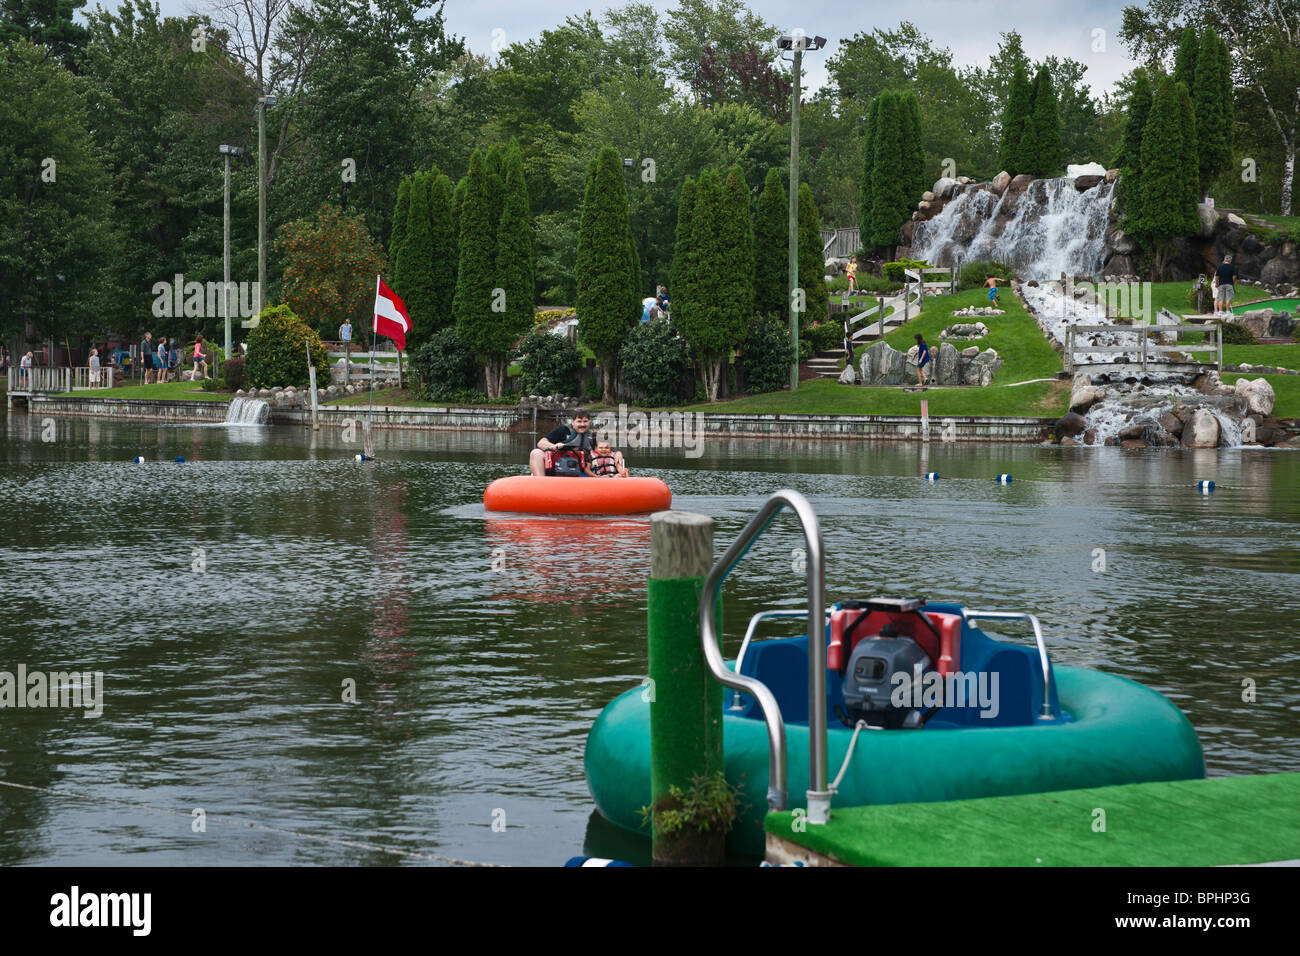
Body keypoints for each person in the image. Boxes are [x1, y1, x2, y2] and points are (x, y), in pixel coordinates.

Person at [530, 409, 598, 477]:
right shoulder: (563, 431)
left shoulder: (594, 437)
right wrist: (555, 446)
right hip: (557, 469)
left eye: (585, 421)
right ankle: (541, 481)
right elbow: (541, 443)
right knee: (536, 452)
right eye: (579, 421)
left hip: (582, 472)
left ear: (589, 422)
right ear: (573, 422)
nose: (582, 424)